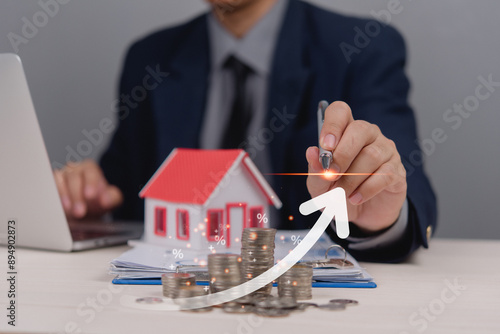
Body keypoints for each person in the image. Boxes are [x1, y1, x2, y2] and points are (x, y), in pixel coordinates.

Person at [53, 0, 437, 262]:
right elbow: (124, 184)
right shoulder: (150, 59)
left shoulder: (363, 49)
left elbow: (404, 181)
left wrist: (380, 214)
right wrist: (87, 200)